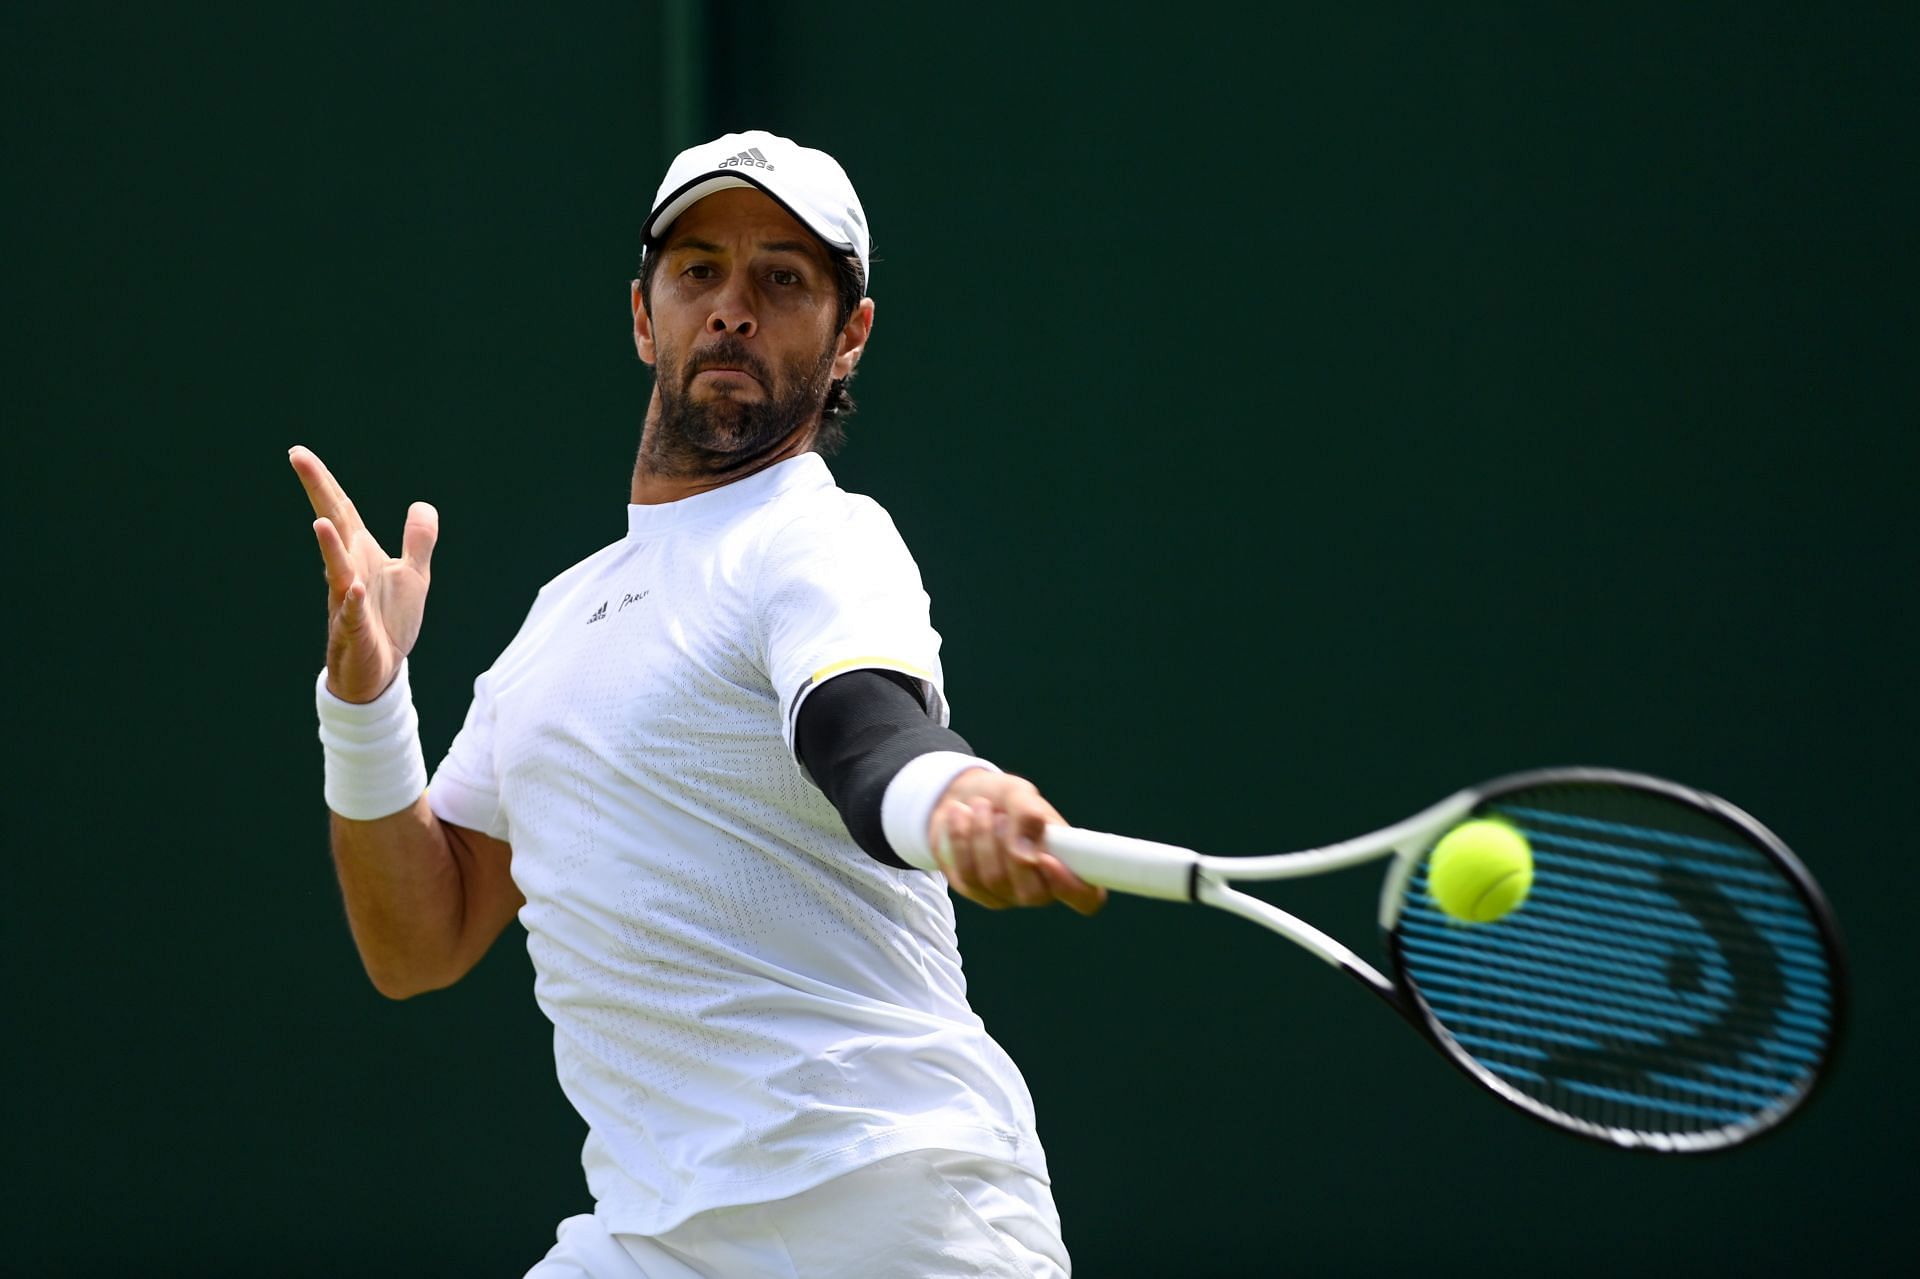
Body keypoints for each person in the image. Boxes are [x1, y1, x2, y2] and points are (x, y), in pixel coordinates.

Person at [289, 129, 1102, 1278]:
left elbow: (866, 734)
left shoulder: (819, 539)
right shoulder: (555, 624)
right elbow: (417, 939)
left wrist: (953, 796)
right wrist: (365, 703)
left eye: (782, 277)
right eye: (699, 272)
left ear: (850, 335)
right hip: (650, 1238)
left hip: (895, 1213)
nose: (734, 307)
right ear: (643, 314)